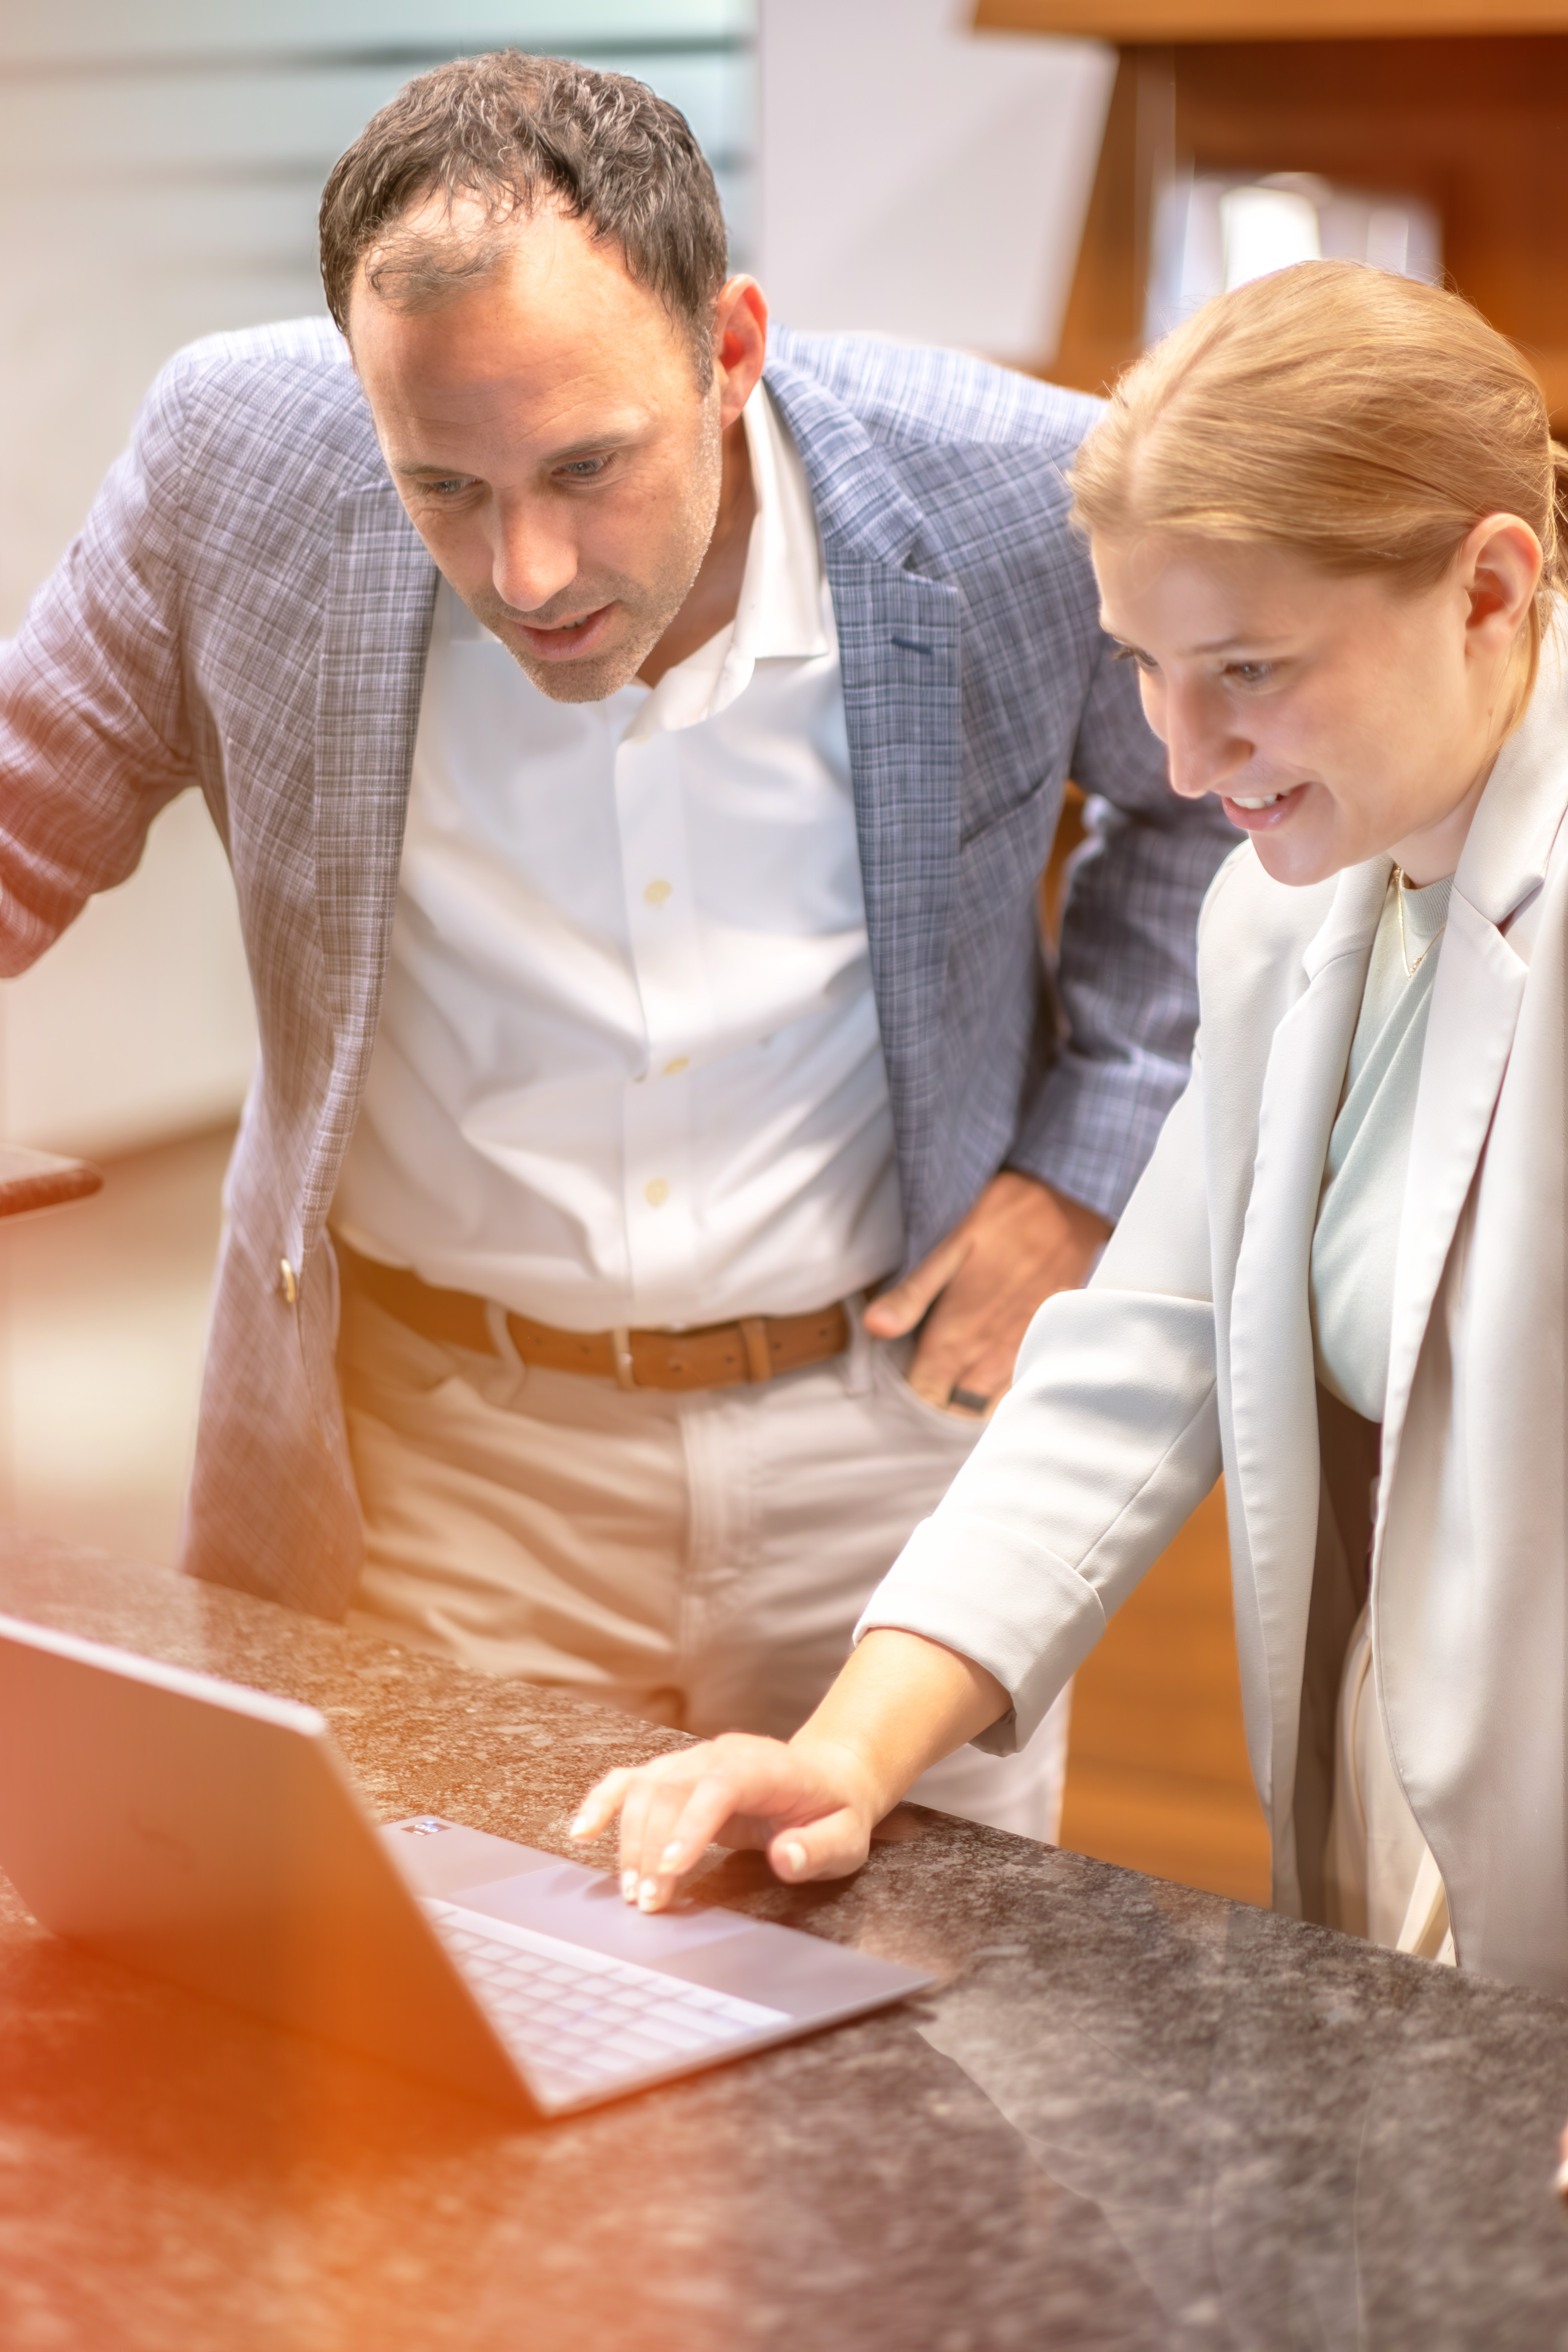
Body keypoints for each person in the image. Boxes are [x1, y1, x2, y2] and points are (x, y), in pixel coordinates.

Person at [0, 52, 1232, 1841]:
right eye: (443, 484)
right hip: (433, 1463)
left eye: (589, 465)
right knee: (426, 2030)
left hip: (880, 1434)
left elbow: (1203, 797)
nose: (527, 569)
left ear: (729, 351)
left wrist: (1086, 1164)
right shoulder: (234, 458)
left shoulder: (1010, 493)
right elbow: (28, 809)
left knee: (930, 2051)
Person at [578, 259, 1568, 1995]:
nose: (1183, 761)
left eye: (1247, 668)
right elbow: (1143, 1346)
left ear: (1488, 586)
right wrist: (850, 1750)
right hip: (1426, 1852)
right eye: (1144, 669)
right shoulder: (1295, 904)